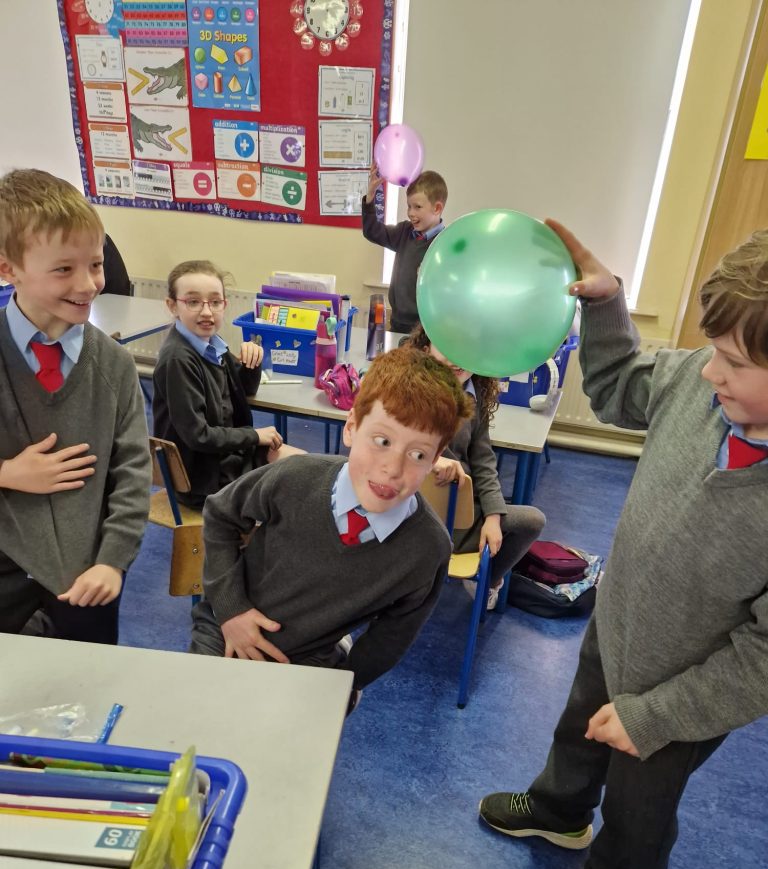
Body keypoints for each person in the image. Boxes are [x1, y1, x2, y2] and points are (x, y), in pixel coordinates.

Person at [478, 219, 768, 869]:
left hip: (682, 690)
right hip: (618, 623)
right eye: (712, 350)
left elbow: (762, 661)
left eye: (734, 362)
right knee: (579, 725)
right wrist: (605, 303)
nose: (710, 372)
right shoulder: (695, 385)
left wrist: (654, 716)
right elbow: (614, 387)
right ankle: (559, 808)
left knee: (642, 803)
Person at [190, 347, 473, 708]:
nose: (393, 468)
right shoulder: (295, 477)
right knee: (202, 717)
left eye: (418, 454)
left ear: (436, 458)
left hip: (310, 658)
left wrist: (345, 683)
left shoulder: (428, 548)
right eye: (382, 441)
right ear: (351, 427)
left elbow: (393, 636)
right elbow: (220, 514)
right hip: (227, 628)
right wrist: (231, 610)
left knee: (290, 737)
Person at [0, 168, 150, 643]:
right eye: (64, 269)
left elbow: (133, 472)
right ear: (8, 269)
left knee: (86, 683)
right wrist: (8, 474)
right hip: (5, 574)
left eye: (96, 264)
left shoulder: (114, 365)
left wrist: (113, 561)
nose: (88, 284)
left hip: (88, 578)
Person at [405, 325, 545, 609]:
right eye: (448, 347)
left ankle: (488, 580)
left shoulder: (474, 398)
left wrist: (493, 516)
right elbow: (391, 444)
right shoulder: (406, 391)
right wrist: (428, 459)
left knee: (532, 520)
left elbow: (484, 461)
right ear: (425, 350)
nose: (457, 359)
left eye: (466, 351)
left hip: (460, 520)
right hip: (410, 517)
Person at [152, 259, 304, 509]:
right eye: (193, 302)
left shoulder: (211, 343)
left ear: (224, 304)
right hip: (203, 477)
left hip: (226, 455)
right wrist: (254, 436)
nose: (207, 312)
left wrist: (252, 363)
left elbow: (244, 391)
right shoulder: (178, 359)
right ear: (172, 306)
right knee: (296, 488)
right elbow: (199, 436)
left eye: (215, 302)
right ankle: (249, 531)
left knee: (306, 467)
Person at [362, 168, 447, 334]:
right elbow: (372, 231)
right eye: (409, 206)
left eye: (417, 207)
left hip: (425, 331)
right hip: (397, 325)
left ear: (437, 208)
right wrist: (370, 197)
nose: (411, 213)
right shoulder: (404, 232)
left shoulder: (444, 244)